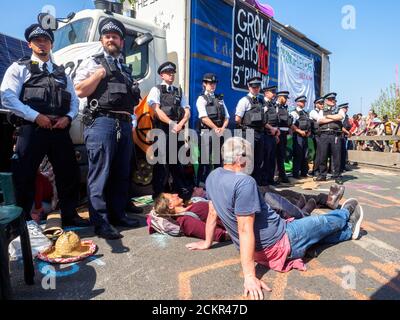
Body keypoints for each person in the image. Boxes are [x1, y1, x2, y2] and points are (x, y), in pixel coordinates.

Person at [186, 137, 364, 300]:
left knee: (317, 235)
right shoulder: (243, 182)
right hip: (281, 240)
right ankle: (346, 214)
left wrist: (207, 242)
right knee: (323, 221)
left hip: (257, 251)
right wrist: (249, 276)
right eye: (249, 157)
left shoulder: (213, 176)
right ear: (240, 159)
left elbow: (212, 212)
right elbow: (244, 229)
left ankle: (348, 231)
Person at [0, 23, 87, 227]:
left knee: (68, 173)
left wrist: (68, 117)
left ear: (51, 44)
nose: (42, 43)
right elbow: (7, 97)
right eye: (37, 40)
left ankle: (69, 214)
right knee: (25, 175)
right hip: (33, 128)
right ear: (30, 44)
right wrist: (35, 116)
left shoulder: (61, 73)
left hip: (59, 128)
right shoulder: (19, 67)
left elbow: (74, 100)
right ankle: (24, 221)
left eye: (46, 40)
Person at [74, 18, 141, 239]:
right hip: (101, 122)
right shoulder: (93, 62)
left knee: (121, 174)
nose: (111, 39)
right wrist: (99, 74)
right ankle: (101, 223)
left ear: (122, 41)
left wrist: (131, 124)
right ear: (102, 40)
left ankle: (118, 215)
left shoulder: (126, 69)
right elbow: (79, 90)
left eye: (115, 36)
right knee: (100, 174)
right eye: (107, 36)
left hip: (123, 123)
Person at [147, 61, 192, 201]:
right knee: (161, 164)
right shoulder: (156, 89)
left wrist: (181, 123)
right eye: (168, 73)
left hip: (176, 130)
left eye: (173, 73)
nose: (171, 75)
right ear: (162, 75)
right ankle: (159, 194)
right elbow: (156, 110)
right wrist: (172, 123)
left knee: (177, 163)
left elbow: (187, 110)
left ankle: (180, 193)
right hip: (162, 130)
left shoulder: (179, 91)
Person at [196, 73, 229, 187]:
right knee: (205, 161)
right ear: (204, 84)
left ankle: (218, 185)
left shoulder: (220, 99)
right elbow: (204, 118)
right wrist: (216, 128)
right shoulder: (201, 99)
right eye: (210, 83)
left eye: (214, 83)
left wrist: (222, 128)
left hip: (219, 133)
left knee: (218, 161)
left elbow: (227, 117)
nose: (212, 85)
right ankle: (201, 185)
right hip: (207, 133)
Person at [153, 193, 230, 242]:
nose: (176, 194)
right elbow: (217, 235)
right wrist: (238, 233)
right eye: (172, 196)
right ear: (170, 206)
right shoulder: (185, 220)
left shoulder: (190, 206)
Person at [235, 76, 266, 185]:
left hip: (259, 133)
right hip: (248, 133)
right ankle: (245, 184)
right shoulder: (244, 101)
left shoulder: (261, 101)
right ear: (249, 87)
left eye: (257, 87)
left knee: (259, 160)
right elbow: (237, 119)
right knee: (248, 160)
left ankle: (256, 184)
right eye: (254, 87)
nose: (256, 89)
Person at [315, 93, 345, 183]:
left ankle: (337, 175)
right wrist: (333, 118)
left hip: (335, 134)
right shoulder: (321, 110)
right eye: (330, 99)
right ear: (326, 101)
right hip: (324, 134)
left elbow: (340, 117)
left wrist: (328, 116)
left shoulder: (339, 109)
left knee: (336, 156)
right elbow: (320, 120)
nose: (332, 101)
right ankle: (322, 175)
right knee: (322, 155)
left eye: (333, 99)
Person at [261, 86, 280, 186]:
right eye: (272, 92)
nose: (274, 93)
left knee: (272, 159)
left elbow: (276, 120)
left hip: (273, 135)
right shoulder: (262, 103)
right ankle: (264, 180)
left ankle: (270, 179)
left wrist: (277, 132)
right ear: (266, 93)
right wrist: (271, 129)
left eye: (274, 92)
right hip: (266, 134)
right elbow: (262, 120)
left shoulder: (273, 105)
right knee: (266, 158)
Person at [291, 96, 312, 179]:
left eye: (304, 102)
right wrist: (300, 131)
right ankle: (296, 174)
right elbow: (292, 125)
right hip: (298, 136)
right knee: (298, 154)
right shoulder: (294, 113)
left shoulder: (305, 113)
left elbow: (309, 124)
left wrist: (309, 132)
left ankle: (304, 172)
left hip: (305, 136)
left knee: (305, 155)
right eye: (302, 102)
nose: (303, 103)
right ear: (297, 102)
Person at [275, 91, 292, 184]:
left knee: (281, 155)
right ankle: (277, 175)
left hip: (284, 134)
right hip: (278, 133)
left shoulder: (285, 108)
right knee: (277, 156)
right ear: (280, 97)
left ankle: (282, 175)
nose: (285, 100)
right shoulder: (276, 107)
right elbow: (275, 121)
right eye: (284, 98)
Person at [309, 97, 324, 177]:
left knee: (322, 153)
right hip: (316, 135)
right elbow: (320, 119)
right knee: (318, 153)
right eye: (320, 104)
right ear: (316, 104)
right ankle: (315, 170)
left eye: (322, 103)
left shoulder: (322, 111)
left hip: (322, 135)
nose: (322, 105)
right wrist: (322, 111)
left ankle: (319, 169)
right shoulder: (313, 112)